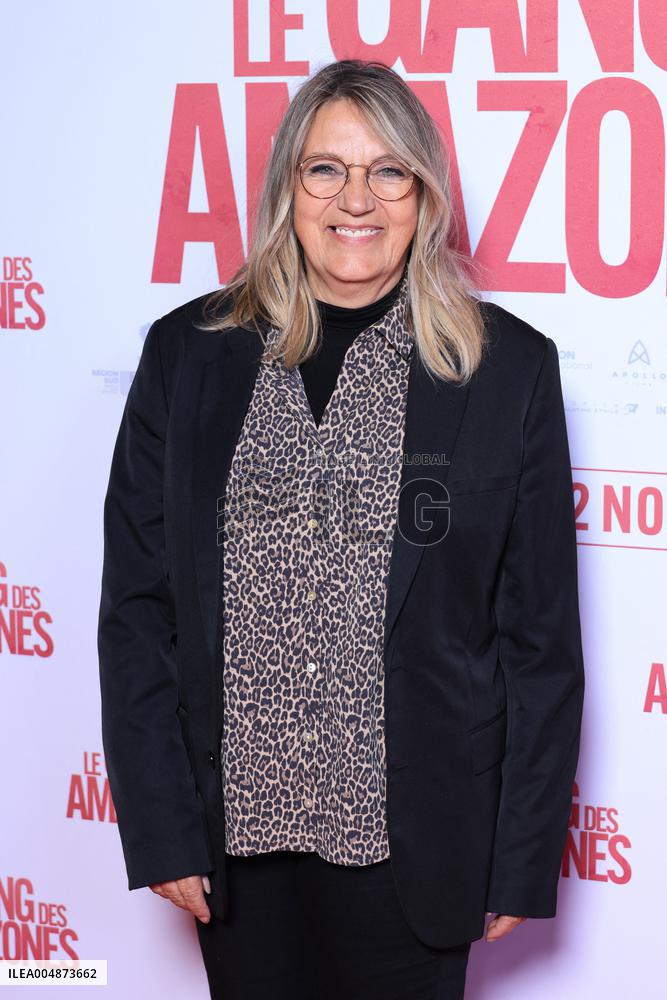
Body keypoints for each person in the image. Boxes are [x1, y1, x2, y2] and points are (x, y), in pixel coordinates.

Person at [97, 59, 585, 1000]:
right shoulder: (186, 357)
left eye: (387, 171)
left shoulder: (507, 370)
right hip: (236, 858)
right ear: (288, 187)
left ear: (423, 194)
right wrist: (160, 825)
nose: (355, 199)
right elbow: (139, 609)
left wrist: (521, 857)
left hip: (421, 853)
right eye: (326, 169)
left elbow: (540, 645)